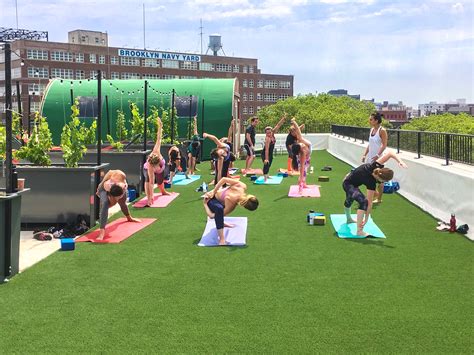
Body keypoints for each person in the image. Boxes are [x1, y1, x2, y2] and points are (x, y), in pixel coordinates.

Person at [343, 150, 407, 237]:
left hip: (352, 182)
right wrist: (366, 219)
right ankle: (359, 231)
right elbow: (368, 203)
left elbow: (390, 153)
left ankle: (349, 219)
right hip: (348, 184)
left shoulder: (375, 166)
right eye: (384, 181)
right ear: (380, 178)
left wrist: (400, 161)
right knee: (362, 201)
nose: (383, 183)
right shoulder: (371, 182)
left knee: (349, 200)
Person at [203, 177, 259, 245]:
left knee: (220, 211)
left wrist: (213, 192)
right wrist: (206, 202)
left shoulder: (242, 186)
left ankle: (222, 225)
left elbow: (223, 179)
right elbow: (212, 216)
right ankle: (222, 239)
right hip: (210, 199)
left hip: (213, 195)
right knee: (219, 209)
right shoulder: (232, 202)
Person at [96, 170, 141, 241]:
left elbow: (118, 199)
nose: (117, 198)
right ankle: (101, 232)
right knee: (105, 204)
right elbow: (110, 172)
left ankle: (129, 217)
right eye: (116, 197)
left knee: (122, 203)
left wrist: (118, 199)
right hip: (103, 189)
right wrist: (100, 187)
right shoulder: (107, 185)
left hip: (118, 189)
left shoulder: (123, 180)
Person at [362, 113, 388, 204]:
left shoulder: (382, 130)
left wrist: (378, 155)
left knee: (380, 179)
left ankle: (379, 198)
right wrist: (365, 155)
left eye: (371, 119)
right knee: (368, 176)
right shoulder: (372, 130)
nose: (370, 121)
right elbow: (370, 144)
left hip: (379, 158)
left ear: (376, 120)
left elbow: (384, 145)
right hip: (371, 158)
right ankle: (374, 194)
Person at [143, 116, 170, 207]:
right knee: (147, 181)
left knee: (160, 181)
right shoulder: (150, 167)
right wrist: (151, 197)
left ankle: (163, 191)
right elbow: (151, 183)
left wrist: (160, 126)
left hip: (161, 169)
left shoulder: (156, 151)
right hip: (147, 170)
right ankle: (148, 198)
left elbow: (159, 138)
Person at [290, 118, 313, 193]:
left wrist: (294, 122)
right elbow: (302, 167)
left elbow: (298, 130)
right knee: (303, 172)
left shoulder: (300, 141)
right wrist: (300, 185)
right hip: (304, 159)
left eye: (301, 145)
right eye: (301, 146)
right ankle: (300, 185)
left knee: (305, 171)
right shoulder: (302, 153)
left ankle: (304, 183)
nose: (302, 145)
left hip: (307, 157)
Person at [262, 115, 287, 182]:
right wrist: (266, 158)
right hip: (265, 153)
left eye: (270, 132)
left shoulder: (272, 134)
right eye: (267, 133)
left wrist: (283, 118)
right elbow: (266, 149)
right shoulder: (267, 139)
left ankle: (267, 174)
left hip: (270, 153)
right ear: (265, 133)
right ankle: (265, 177)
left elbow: (278, 125)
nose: (269, 134)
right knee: (266, 164)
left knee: (269, 164)